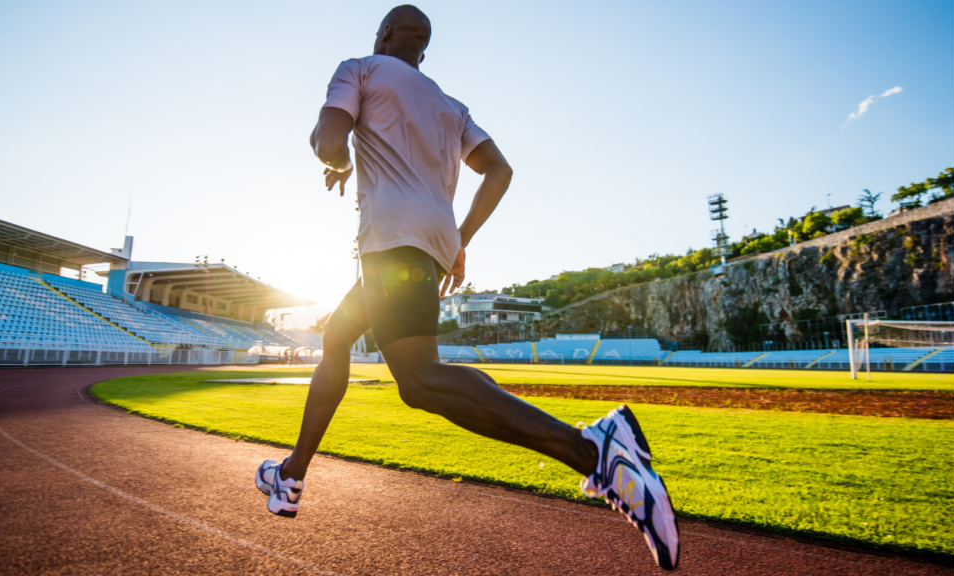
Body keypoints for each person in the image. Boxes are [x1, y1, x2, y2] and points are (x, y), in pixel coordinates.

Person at [255, 5, 679, 570]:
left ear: (384, 34)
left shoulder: (359, 68)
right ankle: (290, 476)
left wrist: (337, 160)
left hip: (391, 243)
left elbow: (327, 139)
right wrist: (461, 238)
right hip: (427, 246)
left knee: (419, 380)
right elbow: (500, 170)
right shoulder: (452, 107)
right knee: (337, 339)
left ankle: (593, 450)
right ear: (424, 49)